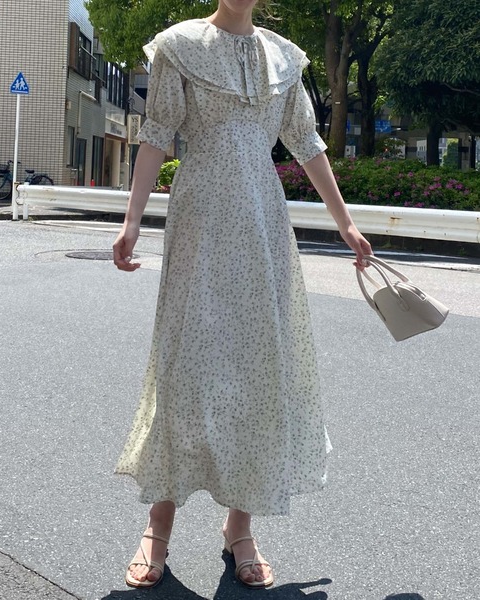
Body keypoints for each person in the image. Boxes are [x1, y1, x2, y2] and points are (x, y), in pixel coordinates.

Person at [112, 0, 373, 590]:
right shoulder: (179, 45)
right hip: (200, 223)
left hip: (263, 227)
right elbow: (156, 136)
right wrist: (131, 222)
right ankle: (158, 525)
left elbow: (306, 142)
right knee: (184, 367)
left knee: (258, 369)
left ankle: (240, 527)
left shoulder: (285, 57)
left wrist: (346, 223)